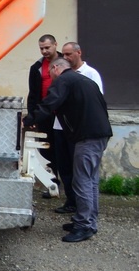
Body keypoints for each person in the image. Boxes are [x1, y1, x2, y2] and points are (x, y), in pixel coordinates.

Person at [23, 57, 112, 242]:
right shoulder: (83, 80)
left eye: (50, 73)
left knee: (82, 181)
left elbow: (49, 103)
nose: (50, 77)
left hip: (87, 137)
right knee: (91, 180)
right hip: (100, 134)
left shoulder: (64, 80)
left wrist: (28, 120)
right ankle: (88, 221)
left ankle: (84, 226)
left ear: (56, 68)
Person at [50, 41, 105, 214]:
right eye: (63, 55)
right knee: (64, 167)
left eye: (69, 54)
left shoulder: (90, 74)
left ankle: (84, 212)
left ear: (79, 53)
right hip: (60, 127)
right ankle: (71, 201)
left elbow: (95, 102)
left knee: (81, 173)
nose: (66, 57)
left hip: (79, 131)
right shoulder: (62, 76)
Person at [27, 34, 61, 197]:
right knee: (47, 151)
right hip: (45, 114)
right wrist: (33, 116)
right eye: (42, 48)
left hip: (62, 114)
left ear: (55, 45)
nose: (45, 51)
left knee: (63, 150)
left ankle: (71, 186)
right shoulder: (37, 67)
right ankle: (53, 183)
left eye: (47, 47)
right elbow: (33, 94)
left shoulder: (65, 63)